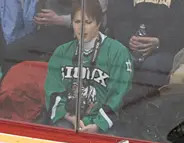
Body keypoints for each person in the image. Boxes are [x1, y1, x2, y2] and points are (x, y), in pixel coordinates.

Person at [45, 0, 133, 134]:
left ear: (98, 23)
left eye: (87, 22)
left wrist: (98, 125)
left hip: (105, 124)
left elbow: (119, 94)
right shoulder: (61, 52)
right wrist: (69, 116)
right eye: (77, 22)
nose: (81, 28)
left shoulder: (118, 52)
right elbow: (53, 89)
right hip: (68, 121)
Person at [3, 0, 108, 74]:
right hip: (46, 34)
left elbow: (96, 20)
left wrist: (59, 19)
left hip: (74, 36)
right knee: (10, 52)